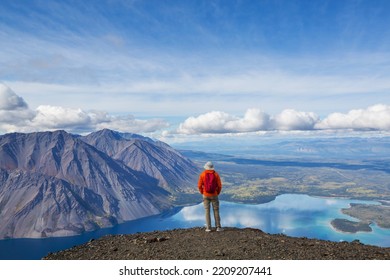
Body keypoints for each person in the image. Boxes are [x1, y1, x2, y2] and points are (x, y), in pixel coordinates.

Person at [198, 161, 223, 232]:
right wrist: (217, 193)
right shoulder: (216, 174)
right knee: (216, 210)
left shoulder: (202, 174)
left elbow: (199, 185)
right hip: (214, 195)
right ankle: (218, 227)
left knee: (207, 211)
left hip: (205, 195)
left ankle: (208, 228)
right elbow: (219, 186)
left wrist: (202, 192)